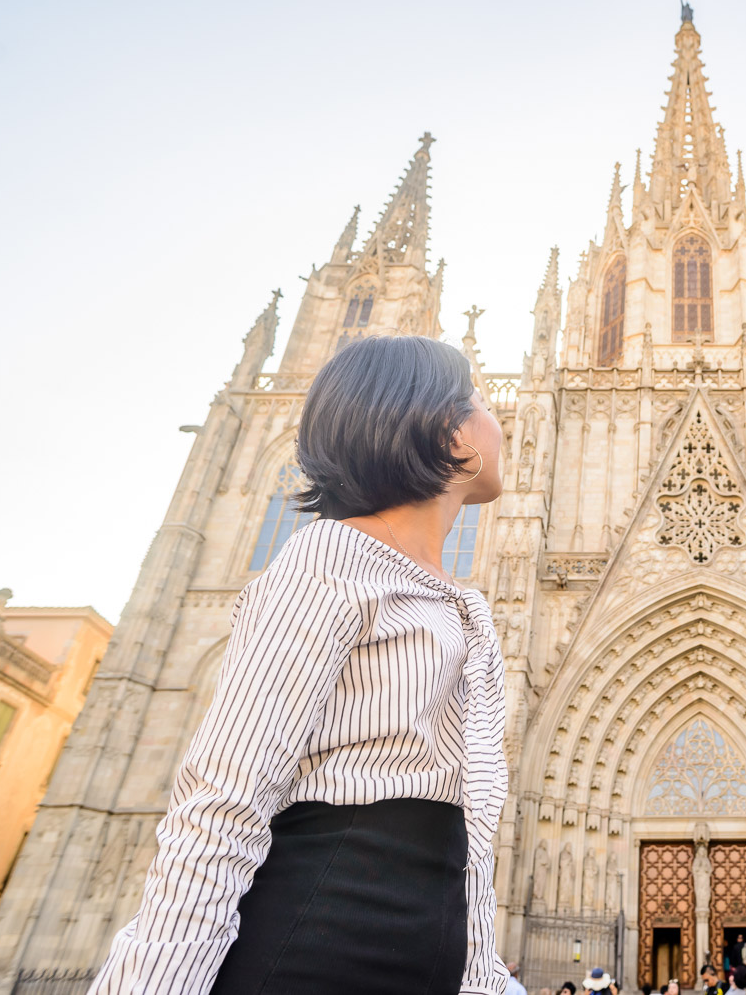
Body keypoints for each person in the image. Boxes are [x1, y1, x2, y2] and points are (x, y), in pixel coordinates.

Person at [88, 333, 508, 995]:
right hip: (320, 940)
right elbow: (224, 799)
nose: (499, 419)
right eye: (479, 401)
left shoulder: (457, 603)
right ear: (445, 432)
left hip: (421, 948)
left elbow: (467, 836)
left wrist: (483, 977)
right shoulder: (326, 563)